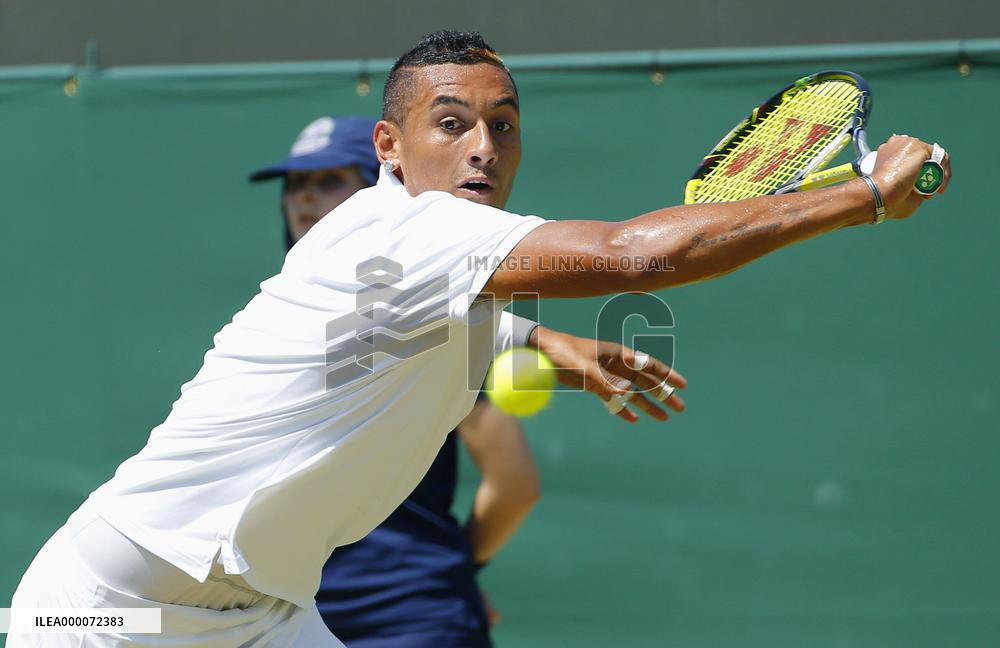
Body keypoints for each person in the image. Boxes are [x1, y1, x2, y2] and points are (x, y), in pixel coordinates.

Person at [10, 29, 947, 648]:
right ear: (389, 147)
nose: (483, 148)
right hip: (107, 610)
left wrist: (563, 353)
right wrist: (861, 196)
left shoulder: (413, 258)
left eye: (502, 125)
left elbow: (414, 340)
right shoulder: (413, 231)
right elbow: (638, 255)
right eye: (451, 124)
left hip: (260, 615)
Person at [249, 114, 538, 646]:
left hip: (408, 619)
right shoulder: (280, 316)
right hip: (288, 614)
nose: (304, 198)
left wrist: (445, 574)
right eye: (296, 184)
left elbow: (513, 482)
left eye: (329, 180)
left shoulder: (440, 317)